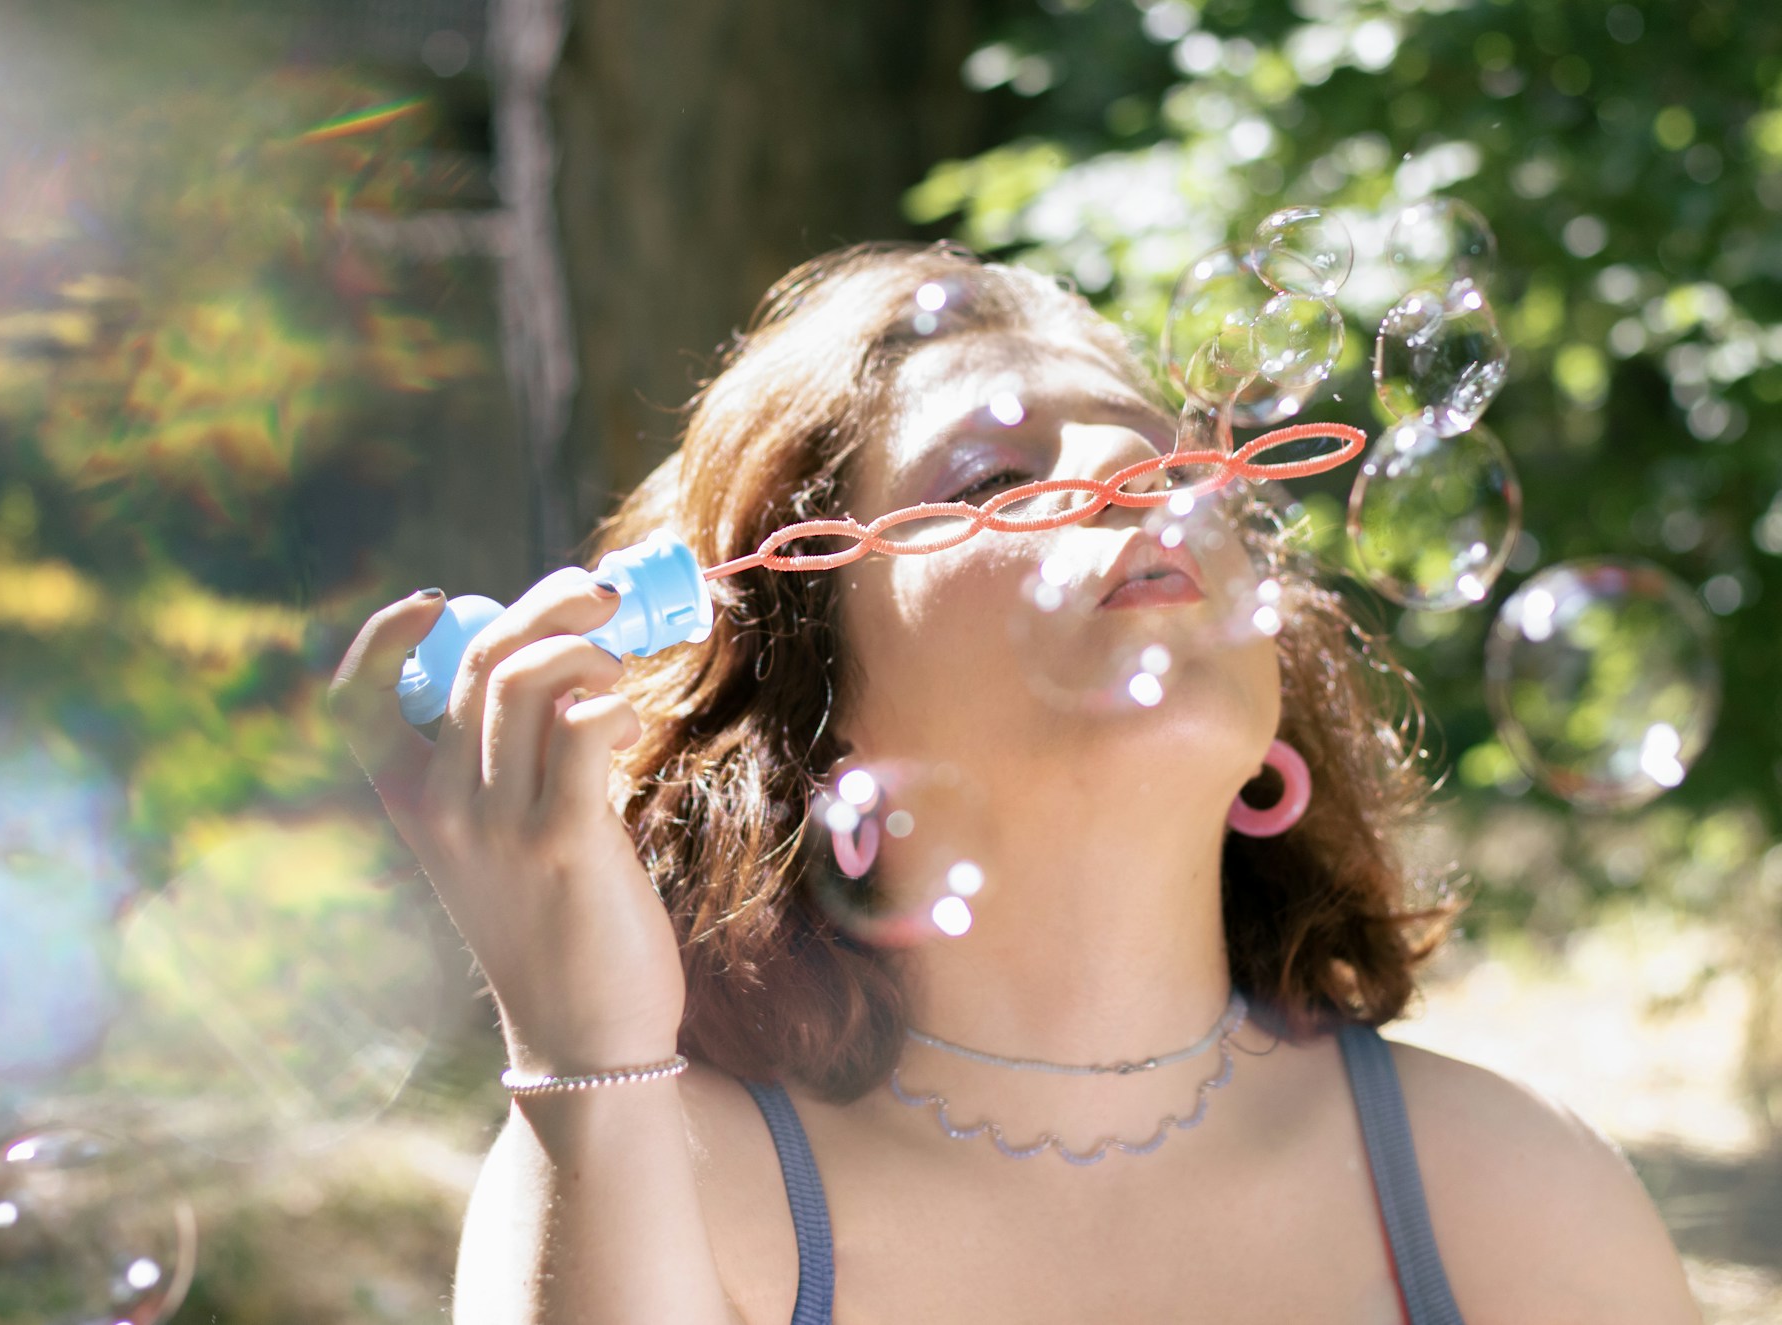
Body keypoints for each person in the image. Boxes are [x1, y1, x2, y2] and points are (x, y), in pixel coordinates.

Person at [329, 243, 1701, 1324]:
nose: (1122, 478)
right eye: (995, 470)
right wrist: (583, 1052)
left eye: (1167, 458)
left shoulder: (1506, 1188)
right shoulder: (657, 1176)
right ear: (817, 710)